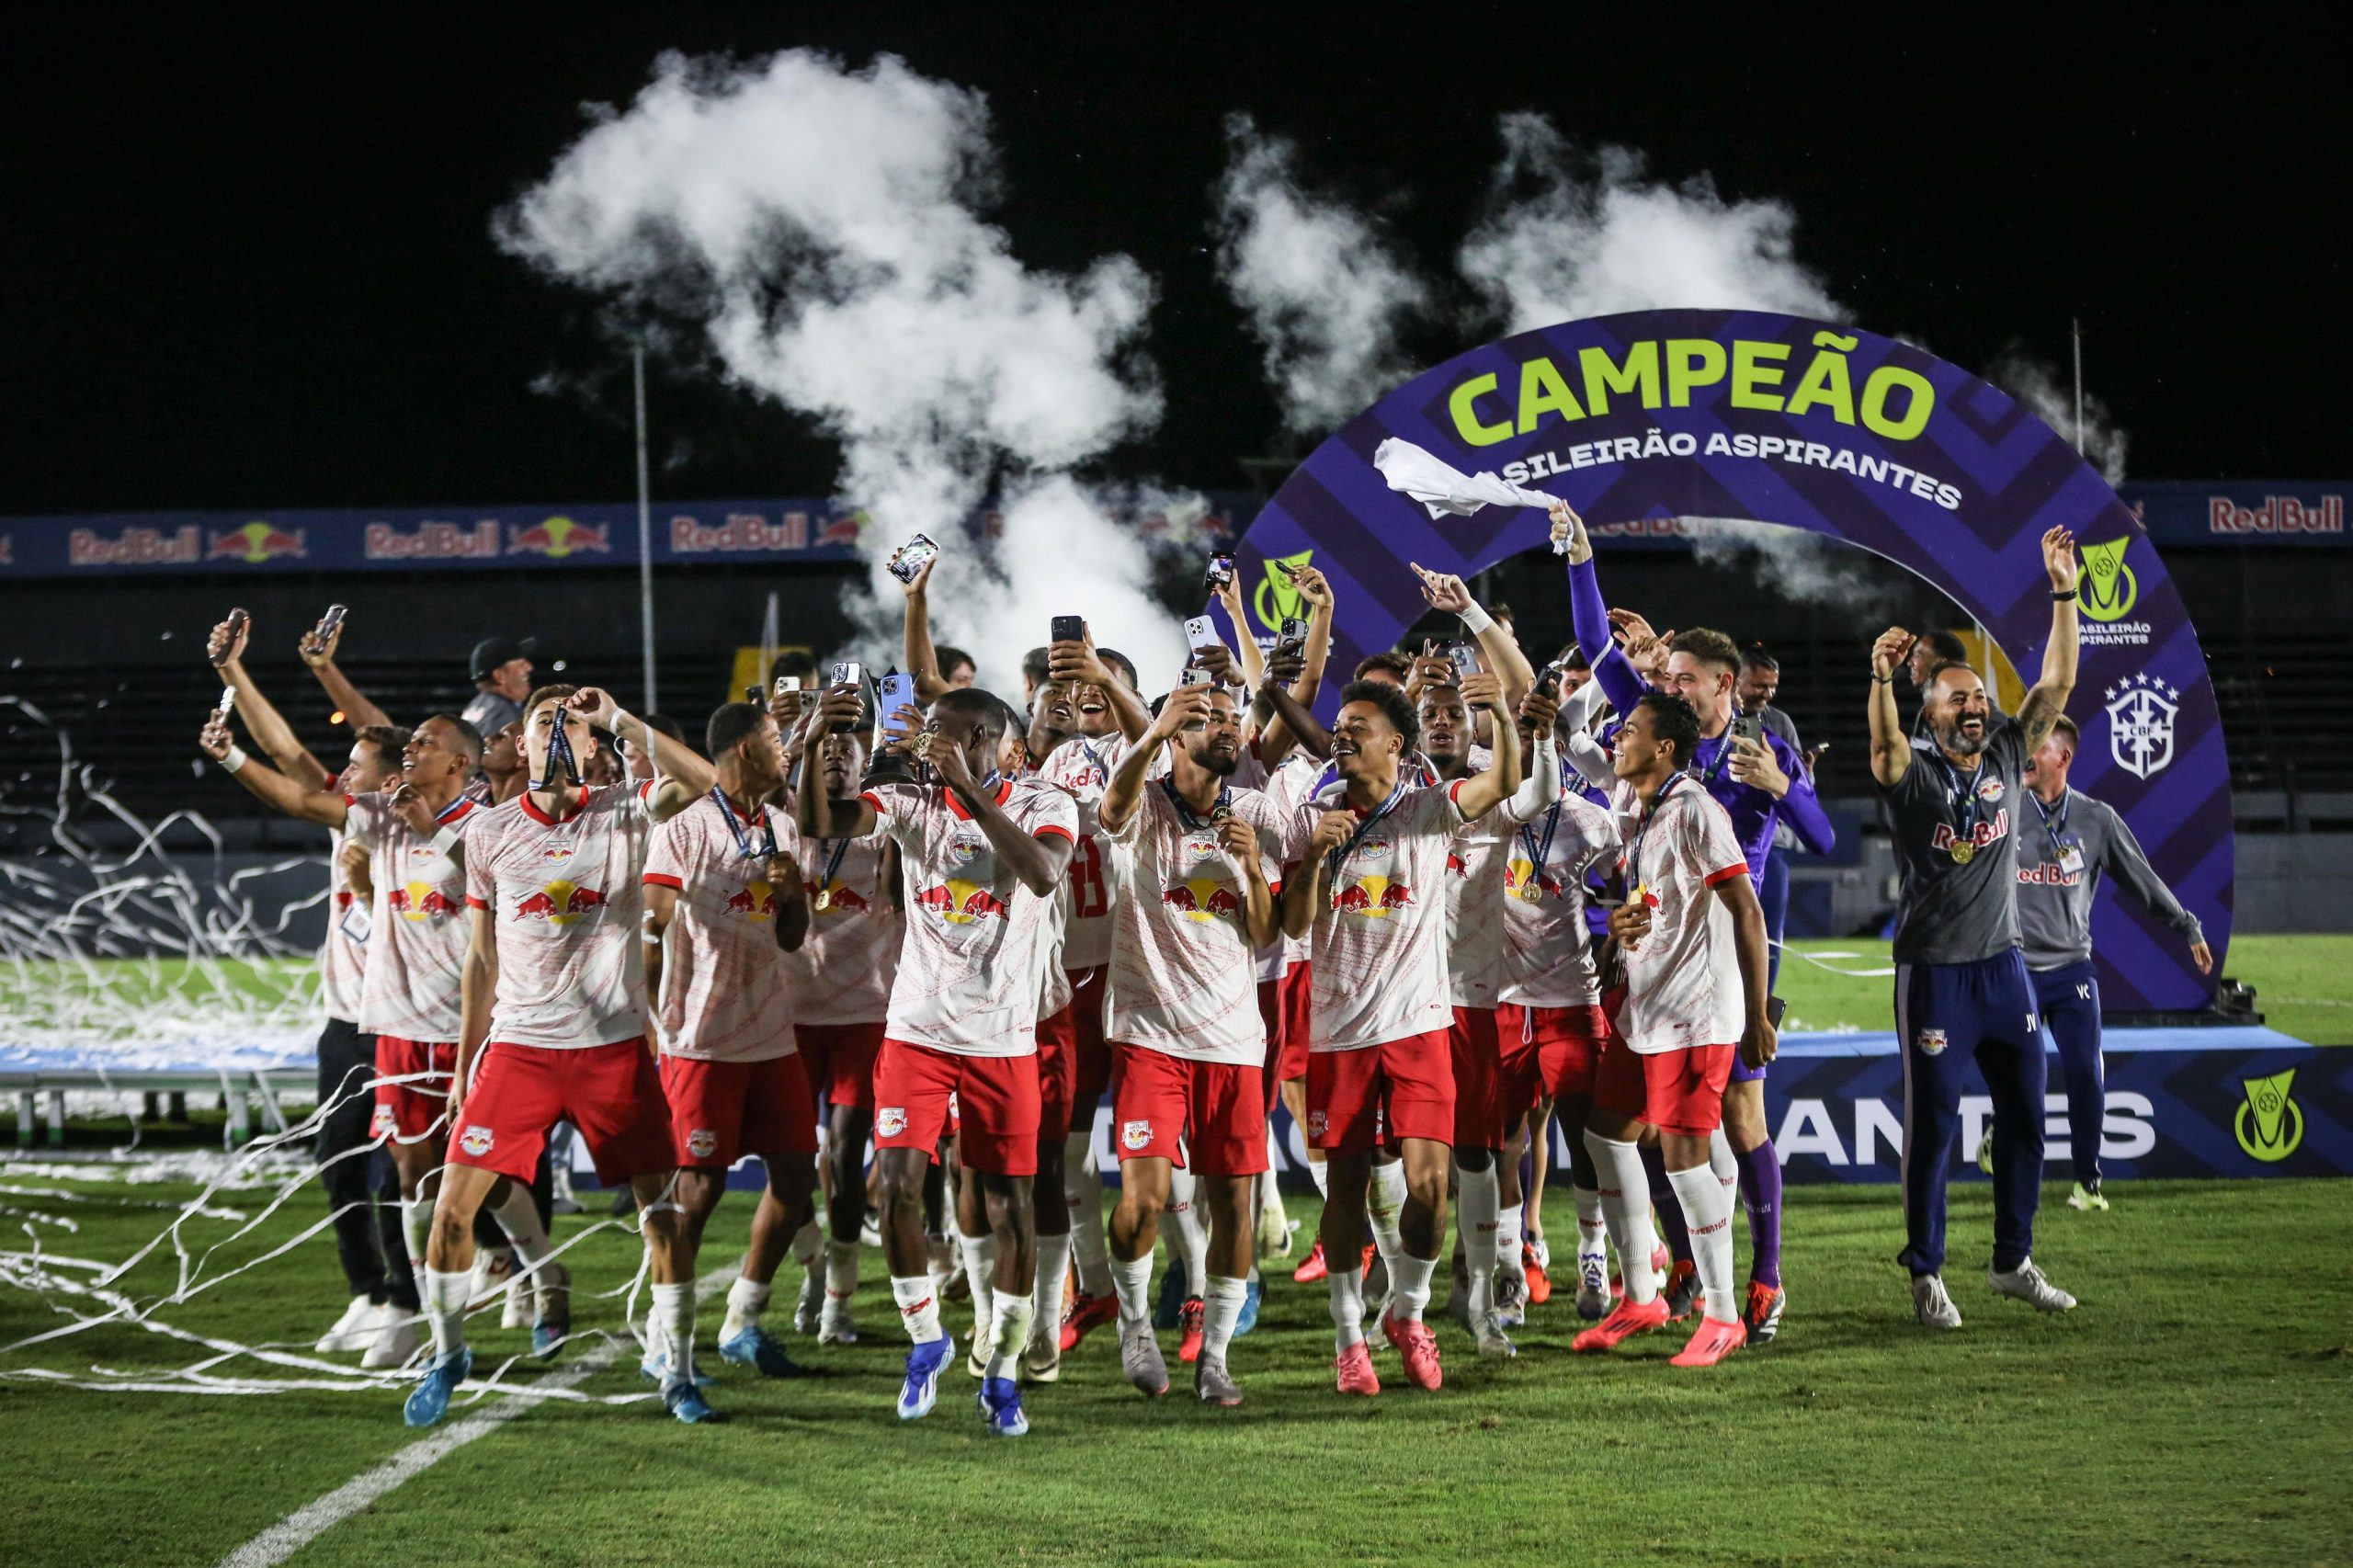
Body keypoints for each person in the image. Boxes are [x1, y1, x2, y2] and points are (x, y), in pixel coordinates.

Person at [402, 683, 713, 1428]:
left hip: (612, 1050)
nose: (560, 735)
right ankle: (449, 1355)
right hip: (521, 1050)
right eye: (547, 723)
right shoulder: (487, 833)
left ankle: (678, 1369)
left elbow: (707, 786)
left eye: (574, 725)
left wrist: (622, 720)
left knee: (663, 1220)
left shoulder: (629, 813)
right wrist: (465, 1064)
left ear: (593, 744)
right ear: (522, 743)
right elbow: (481, 960)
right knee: (449, 1215)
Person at [1558, 503, 1833, 1343]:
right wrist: (1580, 562)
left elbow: (1820, 838)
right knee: (1643, 1135)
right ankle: (1678, 1273)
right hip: (1655, 942)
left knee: (1733, 1126)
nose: (1667, 687)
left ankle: (1760, 1281)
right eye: (1663, 677)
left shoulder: (1756, 751)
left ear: (1726, 684)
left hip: (1722, 954)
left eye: (1682, 678)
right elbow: (1596, 649)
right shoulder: (1661, 742)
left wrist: (1786, 792)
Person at [799, 681, 1076, 1437]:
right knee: (894, 1187)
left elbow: (1043, 875)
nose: (934, 752)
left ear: (995, 741)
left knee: (1010, 1205)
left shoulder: (1047, 804)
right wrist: (817, 742)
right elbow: (819, 820)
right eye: (930, 741)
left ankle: (1006, 1368)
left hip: (1003, 1039)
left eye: (951, 739)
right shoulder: (910, 805)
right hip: (917, 1031)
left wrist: (968, 792)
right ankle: (927, 1341)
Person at [1279, 594, 1520, 1397]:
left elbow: (1503, 785)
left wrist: (1504, 720)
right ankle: (1349, 1336)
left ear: (1397, 743)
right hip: (1340, 1029)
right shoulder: (1316, 816)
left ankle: (1407, 1312)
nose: (1342, 733)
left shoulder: (1423, 810)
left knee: (1428, 1188)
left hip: (1418, 1024)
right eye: (1339, 725)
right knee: (1346, 1191)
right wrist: (1311, 859)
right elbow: (1293, 923)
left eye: (1359, 727)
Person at [1867, 524, 2084, 1330]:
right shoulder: (1912, 771)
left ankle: (2011, 1261)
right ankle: (1926, 1274)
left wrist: (2063, 591)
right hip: (1935, 975)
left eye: (1979, 697)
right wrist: (1881, 680)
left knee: (2026, 1114)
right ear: (1931, 710)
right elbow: (1883, 743)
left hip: (2004, 968)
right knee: (1934, 1131)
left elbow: (2056, 685)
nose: (1975, 705)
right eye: (1958, 696)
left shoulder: (2002, 755)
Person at [203, 611, 415, 1366]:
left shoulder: (407, 824)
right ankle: (369, 1294)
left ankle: (414, 1302)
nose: (343, 770)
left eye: (357, 763)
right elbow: (286, 750)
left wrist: (231, 760)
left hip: (405, 1019)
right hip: (344, 1020)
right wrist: (233, 675)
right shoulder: (353, 815)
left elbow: (294, 784)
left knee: (397, 1168)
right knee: (337, 1157)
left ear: (389, 777)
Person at [1571, 692, 1776, 1369]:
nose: (1617, 739)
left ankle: (1721, 1314)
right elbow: (1656, 904)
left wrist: (1754, 1016)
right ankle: (1643, 1294)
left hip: (1697, 1015)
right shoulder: (1643, 809)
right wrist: (1619, 938)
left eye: (1628, 730)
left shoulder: (1693, 809)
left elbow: (1746, 910)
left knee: (1687, 1160)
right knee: (1605, 1135)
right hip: (1646, 1009)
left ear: (1662, 749)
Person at [1092, 680, 1284, 1403]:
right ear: (1176, 736)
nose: (1231, 729)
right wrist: (1146, 734)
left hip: (1234, 1039)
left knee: (1233, 1205)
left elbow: (1268, 933)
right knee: (1140, 1201)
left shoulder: (1256, 812)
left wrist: (1254, 867)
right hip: (1149, 1034)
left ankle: (1216, 1358)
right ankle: (1137, 1326)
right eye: (1211, 721)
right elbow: (1110, 811)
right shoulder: (1143, 799)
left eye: (1235, 719)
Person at [641, 701, 821, 1411]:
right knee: (697, 1192)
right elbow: (650, 924)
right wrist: (653, 1022)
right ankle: (668, 1343)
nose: (786, 753)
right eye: (777, 741)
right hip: (703, 1040)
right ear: (745, 750)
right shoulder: (682, 831)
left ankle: (742, 1318)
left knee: (796, 1181)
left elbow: (790, 936)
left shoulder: (782, 827)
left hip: (772, 1034)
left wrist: (791, 893)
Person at [2014, 713, 2211, 1211]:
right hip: (2013, 970)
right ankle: (2006, 1141)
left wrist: (2187, 924)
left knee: (2085, 1071)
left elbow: (2141, 878)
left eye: (2037, 746)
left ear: (2064, 757)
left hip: (2072, 969)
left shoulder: (2096, 819)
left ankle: (2088, 1183)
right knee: (2022, 1077)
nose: (2027, 755)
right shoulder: (2006, 808)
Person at [1031, 628, 1151, 1377]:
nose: (1084, 702)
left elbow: (1152, 738)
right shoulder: (1053, 763)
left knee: (1161, 1157)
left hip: (1143, 972)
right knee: (1069, 1149)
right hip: (1073, 975)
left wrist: (1108, 678)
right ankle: (1096, 1287)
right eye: (1074, 694)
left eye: (1100, 689)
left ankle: (1192, 1294)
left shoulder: (1155, 749)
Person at [767, 710, 900, 1347]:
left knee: (847, 1157)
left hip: (862, 1015)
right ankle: (814, 1268)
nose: (837, 758)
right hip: (788, 1014)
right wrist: (793, 742)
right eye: (826, 748)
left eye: (849, 747)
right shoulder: (782, 822)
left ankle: (839, 1303)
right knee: (790, 1164)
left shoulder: (881, 825)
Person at [1488, 683, 1620, 1322]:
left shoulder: (1588, 820)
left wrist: (1626, 930)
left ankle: (1592, 1258)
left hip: (1571, 997)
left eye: (1538, 735)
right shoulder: (1485, 811)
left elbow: (1631, 884)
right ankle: (1510, 1268)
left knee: (1587, 1138)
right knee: (1504, 1145)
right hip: (1505, 1000)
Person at [461, 636, 536, 740]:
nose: (529, 667)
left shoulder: (477, 704)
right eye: (521, 664)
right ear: (500, 676)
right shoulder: (506, 717)